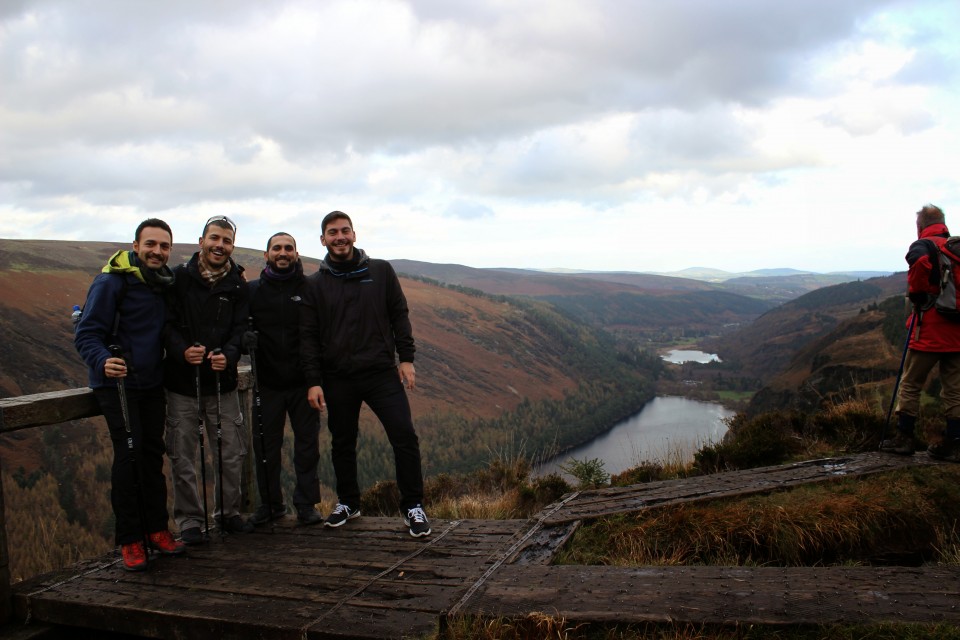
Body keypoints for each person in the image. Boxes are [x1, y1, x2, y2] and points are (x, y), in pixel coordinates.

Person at [300, 211, 431, 537]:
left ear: (354, 235)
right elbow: (308, 335)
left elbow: (399, 314)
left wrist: (407, 359)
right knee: (342, 442)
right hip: (337, 376)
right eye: (333, 232)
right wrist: (314, 380)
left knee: (404, 436)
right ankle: (349, 502)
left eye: (344, 231)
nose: (339, 237)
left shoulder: (381, 271)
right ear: (322, 240)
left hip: (380, 373)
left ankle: (413, 506)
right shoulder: (315, 284)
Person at [75, 218, 185, 571]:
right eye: (150, 244)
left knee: (152, 455)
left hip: (151, 383)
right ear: (135, 246)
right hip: (116, 384)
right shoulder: (110, 282)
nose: (157, 251)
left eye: (164, 246)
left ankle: (157, 529)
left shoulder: (162, 284)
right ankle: (130, 539)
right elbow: (87, 333)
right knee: (129, 456)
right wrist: (104, 360)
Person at [164, 215, 254, 543]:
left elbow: (242, 328)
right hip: (181, 383)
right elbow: (167, 323)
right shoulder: (177, 280)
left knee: (230, 451)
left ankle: (228, 514)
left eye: (226, 240)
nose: (220, 245)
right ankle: (190, 521)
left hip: (222, 383)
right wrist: (181, 350)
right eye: (214, 238)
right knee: (183, 452)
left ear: (232, 246)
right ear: (201, 241)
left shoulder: (238, 285)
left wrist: (229, 355)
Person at [246, 232, 323, 526]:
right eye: (276, 248)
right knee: (265, 446)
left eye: (288, 248)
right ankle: (270, 504)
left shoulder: (309, 288)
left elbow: (318, 333)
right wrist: (244, 339)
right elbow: (239, 332)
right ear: (266, 255)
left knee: (307, 445)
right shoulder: (252, 291)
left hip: (304, 382)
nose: (283, 252)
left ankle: (306, 503)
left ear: (296, 253)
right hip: (266, 383)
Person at [882, 204, 960, 461]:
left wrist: (917, 294)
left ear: (920, 226)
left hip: (929, 329)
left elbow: (920, 266)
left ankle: (904, 438)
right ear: (943, 222)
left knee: (911, 383)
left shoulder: (923, 245)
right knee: (955, 389)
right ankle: (955, 443)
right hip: (957, 331)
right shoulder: (956, 247)